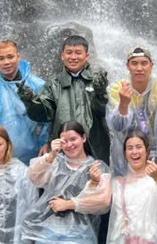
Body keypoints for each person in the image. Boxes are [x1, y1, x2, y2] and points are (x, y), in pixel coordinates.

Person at [19, 34, 111, 165]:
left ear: (87, 56)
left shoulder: (97, 81)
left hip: (95, 146)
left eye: (78, 53)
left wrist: (100, 93)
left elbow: (102, 111)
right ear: (62, 56)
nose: (73, 57)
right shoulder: (53, 84)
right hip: (63, 149)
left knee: (96, 182)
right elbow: (44, 114)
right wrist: (29, 100)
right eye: (69, 53)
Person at [107, 47, 157, 169]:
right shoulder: (118, 89)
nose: (139, 68)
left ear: (151, 65)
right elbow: (118, 128)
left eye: (144, 63)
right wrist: (123, 105)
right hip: (129, 152)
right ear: (127, 66)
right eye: (134, 64)